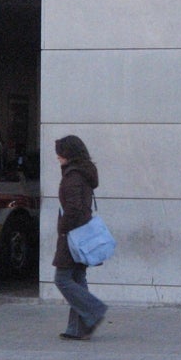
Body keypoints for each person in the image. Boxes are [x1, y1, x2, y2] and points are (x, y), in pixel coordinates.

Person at [53, 134, 108, 340]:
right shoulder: (82, 173)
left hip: (73, 235)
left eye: (59, 152)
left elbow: (74, 209)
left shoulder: (73, 176)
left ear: (68, 154)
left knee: (62, 279)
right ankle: (78, 329)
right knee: (77, 277)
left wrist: (64, 228)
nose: (57, 157)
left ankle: (93, 310)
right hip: (81, 233)